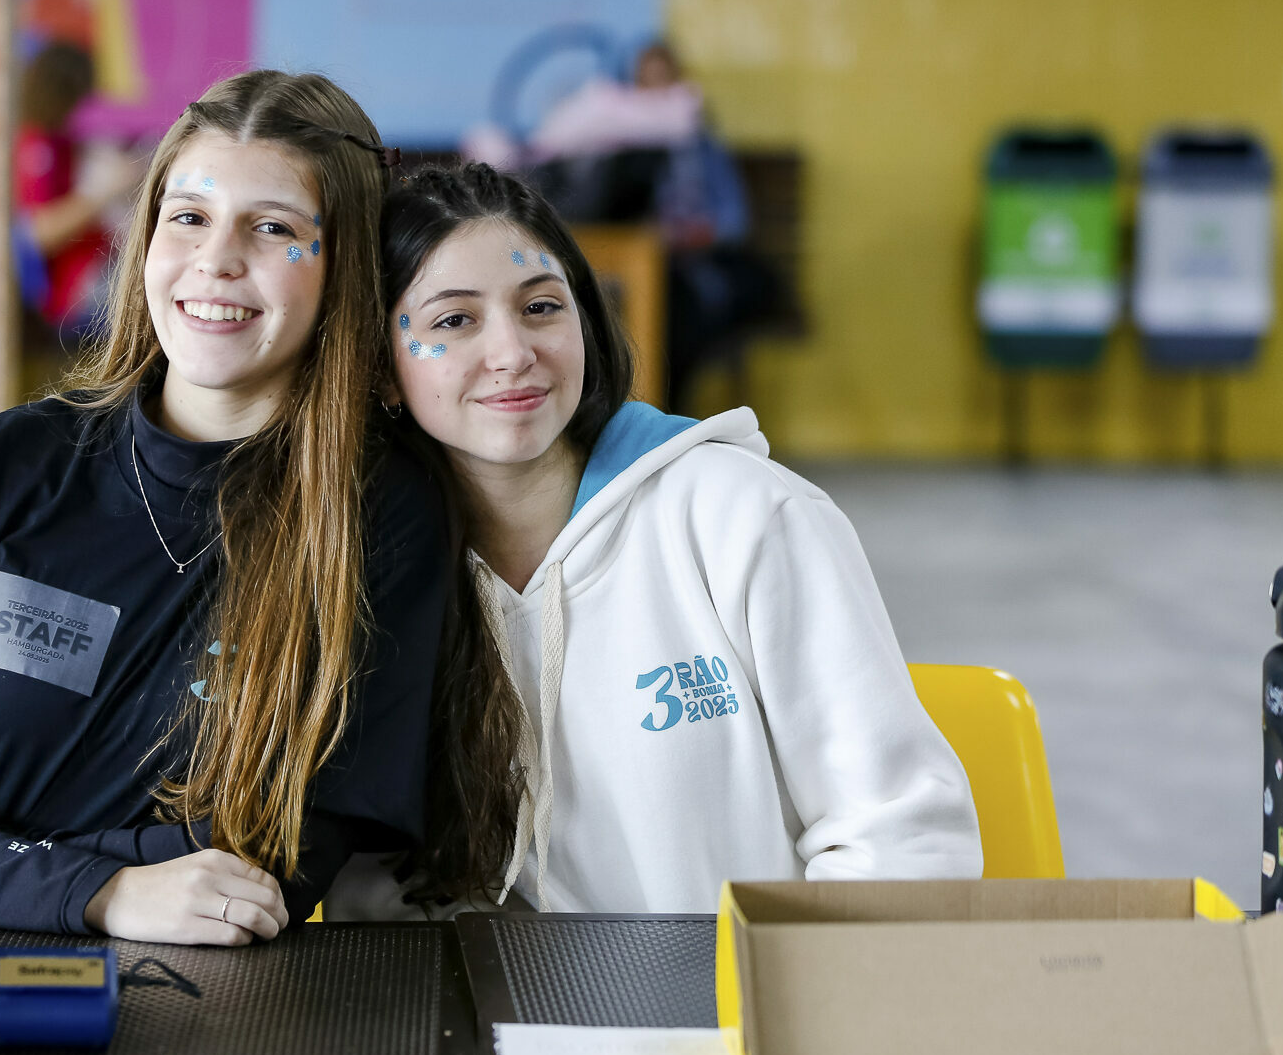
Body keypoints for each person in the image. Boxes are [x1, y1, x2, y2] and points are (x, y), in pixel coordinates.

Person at [0, 71, 478, 945]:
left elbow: (272, 865)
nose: (216, 259)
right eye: (188, 217)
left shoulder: (379, 515)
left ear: (344, 268)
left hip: (178, 1001)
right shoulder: (3, 467)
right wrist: (106, 891)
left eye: (273, 228)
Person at [347, 162, 981, 915]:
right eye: (454, 321)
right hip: (494, 992)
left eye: (542, 307)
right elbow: (373, 894)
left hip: (747, 988)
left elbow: (899, 835)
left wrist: (785, 989)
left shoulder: (744, 515)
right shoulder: (366, 574)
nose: (513, 352)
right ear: (381, 370)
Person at [13, 42, 141, 338]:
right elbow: (39, 233)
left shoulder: (66, 140)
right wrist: (105, 190)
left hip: (102, 264)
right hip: (77, 289)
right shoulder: (37, 146)